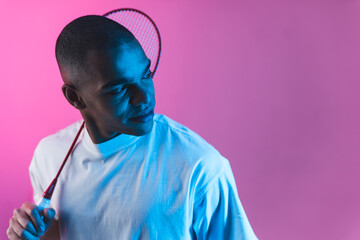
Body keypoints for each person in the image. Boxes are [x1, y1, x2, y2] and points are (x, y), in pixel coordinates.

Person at [7, 15, 258, 240]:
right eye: (118, 89)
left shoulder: (199, 167)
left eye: (146, 74)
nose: (144, 98)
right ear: (75, 97)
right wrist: (33, 234)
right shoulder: (48, 155)